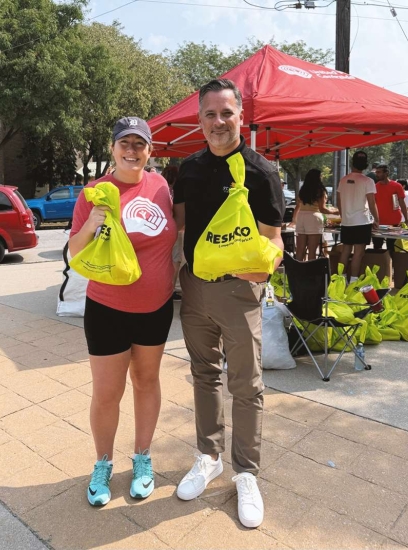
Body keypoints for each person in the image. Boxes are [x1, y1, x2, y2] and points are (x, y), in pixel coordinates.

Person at [172, 78, 284, 529]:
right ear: (200, 120)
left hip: (239, 292)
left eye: (226, 113)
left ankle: (247, 473)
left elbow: (273, 241)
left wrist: (263, 270)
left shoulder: (262, 172)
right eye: (210, 114)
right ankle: (209, 455)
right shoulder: (189, 168)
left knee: (246, 384)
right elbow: (180, 231)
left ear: (242, 116)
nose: (219, 122)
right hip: (195, 289)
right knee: (203, 374)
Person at [68, 116, 177, 506]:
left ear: (150, 150)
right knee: (107, 392)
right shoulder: (95, 193)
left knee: (147, 382)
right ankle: (102, 463)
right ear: (112, 148)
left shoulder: (161, 186)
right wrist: (92, 224)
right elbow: (75, 252)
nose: (132, 151)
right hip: (107, 308)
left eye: (139, 144)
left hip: (155, 307)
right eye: (124, 143)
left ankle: (142, 458)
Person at [337, 150, 380, 282]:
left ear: (352, 163)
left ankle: (340, 280)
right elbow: (372, 203)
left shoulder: (343, 180)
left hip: (346, 222)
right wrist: (377, 220)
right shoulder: (368, 181)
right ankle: (353, 282)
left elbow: (339, 203)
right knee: (358, 253)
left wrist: (343, 215)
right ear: (365, 165)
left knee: (345, 251)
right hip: (361, 221)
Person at [293, 168, 337, 261]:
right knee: (312, 250)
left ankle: (298, 272)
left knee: (300, 249)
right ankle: (311, 273)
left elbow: (298, 205)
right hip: (314, 217)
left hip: (301, 217)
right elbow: (322, 209)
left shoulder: (303, 190)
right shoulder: (320, 190)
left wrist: (294, 219)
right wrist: (335, 212)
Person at [372, 164, 408, 252]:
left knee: (392, 247)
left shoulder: (396, 186)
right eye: (376, 172)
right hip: (379, 222)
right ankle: (380, 264)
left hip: (394, 222)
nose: (376, 174)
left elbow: (402, 203)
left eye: (379, 172)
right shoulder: (375, 187)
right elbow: (371, 204)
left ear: (386, 173)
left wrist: (406, 218)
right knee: (377, 247)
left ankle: (391, 264)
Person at [161, 164, 183, 300]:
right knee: (176, 259)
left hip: (161, 229)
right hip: (176, 228)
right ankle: (171, 288)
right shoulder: (178, 191)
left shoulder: (161, 189)